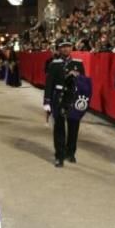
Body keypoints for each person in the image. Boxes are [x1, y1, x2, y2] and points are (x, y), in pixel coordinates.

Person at [43, 39, 86, 167]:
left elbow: (83, 83)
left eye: (68, 46)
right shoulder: (54, 64)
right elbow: (49, 83)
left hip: (73, 99)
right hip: (59, 98)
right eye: (63, 47)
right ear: (59, 49)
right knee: (59, 128)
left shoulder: (78, 63)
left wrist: (77, 76)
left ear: (71, 48)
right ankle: (59, 156)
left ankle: (71, 153)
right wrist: (47, 101)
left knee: (74, 127)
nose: (66, 49)